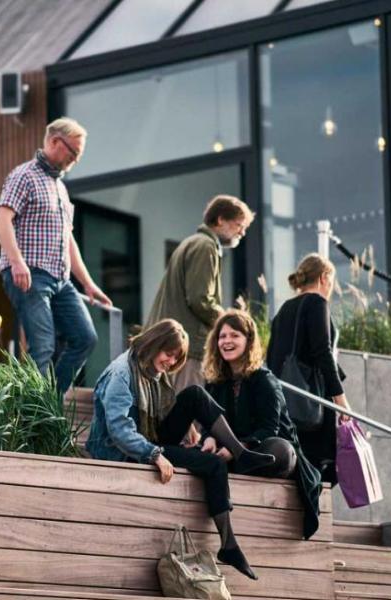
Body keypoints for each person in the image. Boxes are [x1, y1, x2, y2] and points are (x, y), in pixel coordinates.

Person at [85, 319, 275, 580]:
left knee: (195, 395)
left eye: (176, 358)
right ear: (154, 344)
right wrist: (154, 454)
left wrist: (187, 428)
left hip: (149, 437)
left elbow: (165, 407)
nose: (171, 362)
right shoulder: (121, 374)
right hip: (126, 451)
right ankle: (229, 545)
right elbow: (119, 430)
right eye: (169, 354)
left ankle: (240, 453)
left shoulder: (149, 368)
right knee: (214, 464)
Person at [0, 118, 111, 396]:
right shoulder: (25, 175)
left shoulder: (60, 187)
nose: (74, 161)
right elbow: (1, 218)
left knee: (85, 338)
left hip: (61, 280)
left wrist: (88, 283)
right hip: (31, 273)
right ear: (55, 142)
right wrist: (17, 262)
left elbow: (67, 239)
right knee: (42, 345)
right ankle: (35, 412)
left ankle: (47, 400)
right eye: (73, 153)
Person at [202, 309, 323, 540]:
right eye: (222, 336)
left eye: (234, 335)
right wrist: (209, 437)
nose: (226, 341)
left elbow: (270, 429)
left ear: (248, 341)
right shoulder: (215, 382)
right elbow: (210, 421)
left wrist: (236, 448)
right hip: (231, 453)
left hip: (261, 448)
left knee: (280, 451)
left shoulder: (264, 379)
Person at [146, 195, 254, 390]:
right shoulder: (206, 246)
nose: (242, 232)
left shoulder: (192, 242)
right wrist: (228, 321)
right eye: (239, 225)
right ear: (220, 219)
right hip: (186, 346)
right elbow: (199, 299)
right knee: (187, 411)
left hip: (170, 342)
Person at [266, 254, 350, 483]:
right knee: (323, 468)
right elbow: (322, 353)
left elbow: (272, 357)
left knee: (298, 469)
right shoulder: (316, 303)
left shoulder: (283, 311)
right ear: (324, 278)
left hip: (286, 404)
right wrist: (341, 401)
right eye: (331, 281)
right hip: (312, 403)